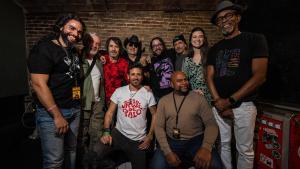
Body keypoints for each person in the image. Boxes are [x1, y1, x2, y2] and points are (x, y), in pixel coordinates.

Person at [207, 1, 269, 169]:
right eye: (220, 19)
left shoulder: (254, 40)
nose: (224, 21)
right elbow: (209, 77)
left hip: (244, 105)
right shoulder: (215, 48)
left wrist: (231, 101)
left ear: (238, 17)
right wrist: (219, 101)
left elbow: (260, 76)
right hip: (219, 106)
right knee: (223, 145)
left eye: (228, 16)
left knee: (244, 150)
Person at [27, 13, 86, 169]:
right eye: (71, 28)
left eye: (79, 31)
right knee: (54, 161)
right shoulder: (44, 48)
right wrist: (57, 115)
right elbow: (38, 84)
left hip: (74, 109)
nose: (75, 33)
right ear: (61, 27)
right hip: (53, 113)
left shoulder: (72, 51)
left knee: (72, 151)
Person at [86, 64, 157, 169]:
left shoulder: (148, 93)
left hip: (137, 140)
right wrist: (106, 132)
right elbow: (109, 113)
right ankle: (112, 164)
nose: (136, 77)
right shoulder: (119, 91)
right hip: (118, 135)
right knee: (95, 152)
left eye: (138, 74)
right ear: (128, 76)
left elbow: (155, 114)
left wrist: (150, 136)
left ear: (142, 77)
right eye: (133, 74)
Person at [151, 71, 223, 169]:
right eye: (179, 81)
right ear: (171, 84)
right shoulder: (164, 101)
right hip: (172, 141)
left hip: (196, 141)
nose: (184, 83)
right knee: (157, 166)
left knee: (216, 166)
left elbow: (211, 124)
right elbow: (159, 127)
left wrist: (206, 147)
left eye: (185, 80)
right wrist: (167, 152)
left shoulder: (199, 99)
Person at [79, 32, 105, 166]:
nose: (95, 46)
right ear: (86, 42)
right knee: (81, 136)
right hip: (83, 104)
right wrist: (76, 100)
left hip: (97, 105)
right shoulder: (78, 59)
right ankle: (83, 163)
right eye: (92, 43)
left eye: (98, 44)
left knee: (96, 135)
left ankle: (93, 162)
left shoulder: (99, 61)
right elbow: (74, 83)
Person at [182, 27, 212, 104]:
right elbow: (184, 81)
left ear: (204, 39)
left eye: (200, 36)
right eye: (194, 37)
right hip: (192, 98)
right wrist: (192, 92)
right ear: (190, 40)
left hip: (209, 98)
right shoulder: (187, 60)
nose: (197, 39)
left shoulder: (210, 55)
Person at [102, 37, 129, 105]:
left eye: (116, 46)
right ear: (107, 48)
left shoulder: (124, 63)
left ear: (120, 49)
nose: (113, 49)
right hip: (101, 100)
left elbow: (130, 80)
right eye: (111, 46)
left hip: (118, 100)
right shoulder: (101, 60)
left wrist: (141, 87)